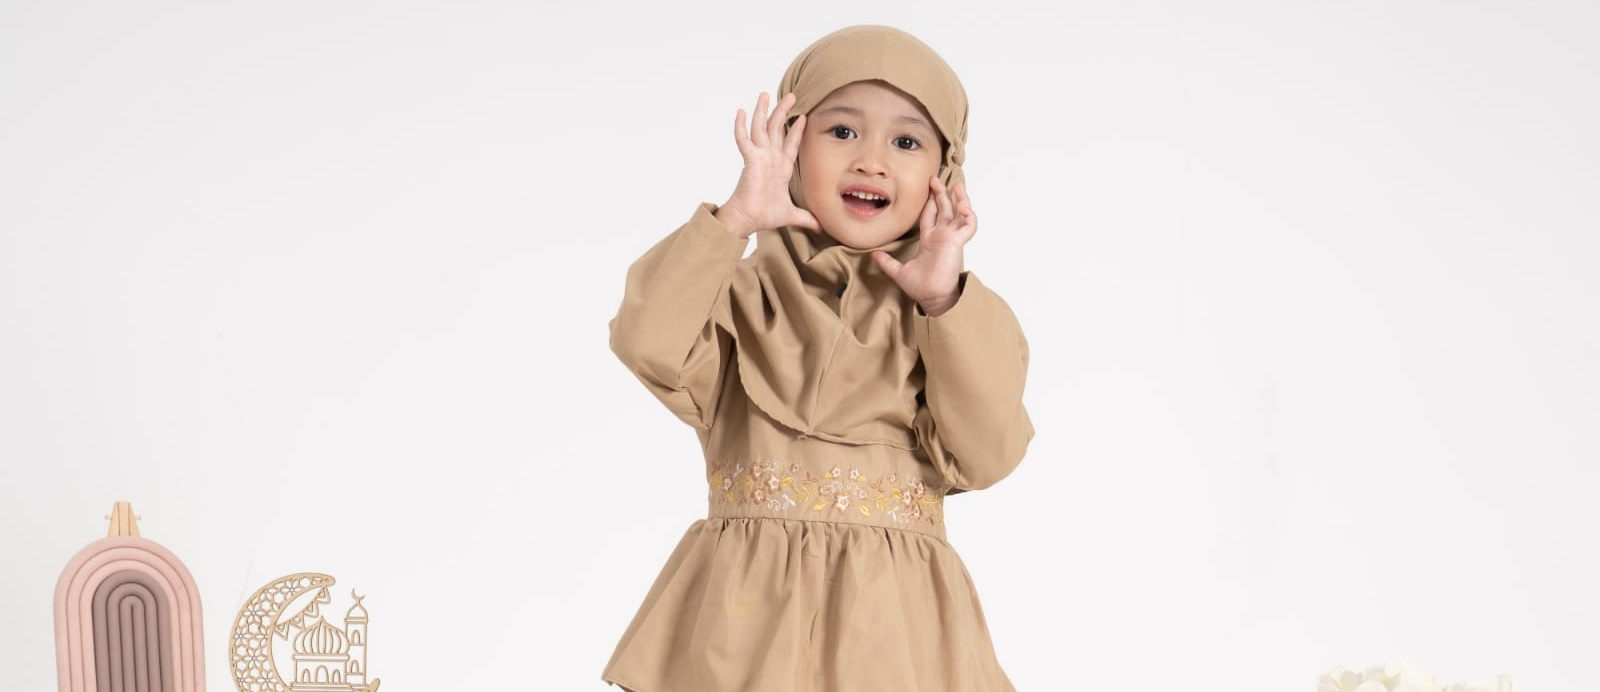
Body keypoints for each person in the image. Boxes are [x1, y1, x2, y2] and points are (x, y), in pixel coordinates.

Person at [601, 24, 1034, 692]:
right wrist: (733, 221)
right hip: (745, 631)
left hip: (897, 637)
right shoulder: (737, 295)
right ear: (791, 143)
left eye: (907, 142)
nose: (871, 161)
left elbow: (987, 453)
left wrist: (942, 301)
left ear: (944, 175)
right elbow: (646, 341)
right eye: (841, 131)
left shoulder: (951, 318)